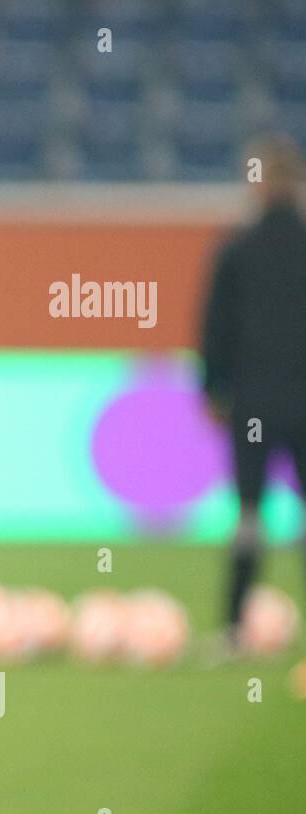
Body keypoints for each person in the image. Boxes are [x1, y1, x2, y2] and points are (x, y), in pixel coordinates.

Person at [200, 132, 306, 655]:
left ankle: (236, 630)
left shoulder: (237, 251)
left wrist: (214, 392)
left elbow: (214, 330)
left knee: (248, 515)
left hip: (254, 406)